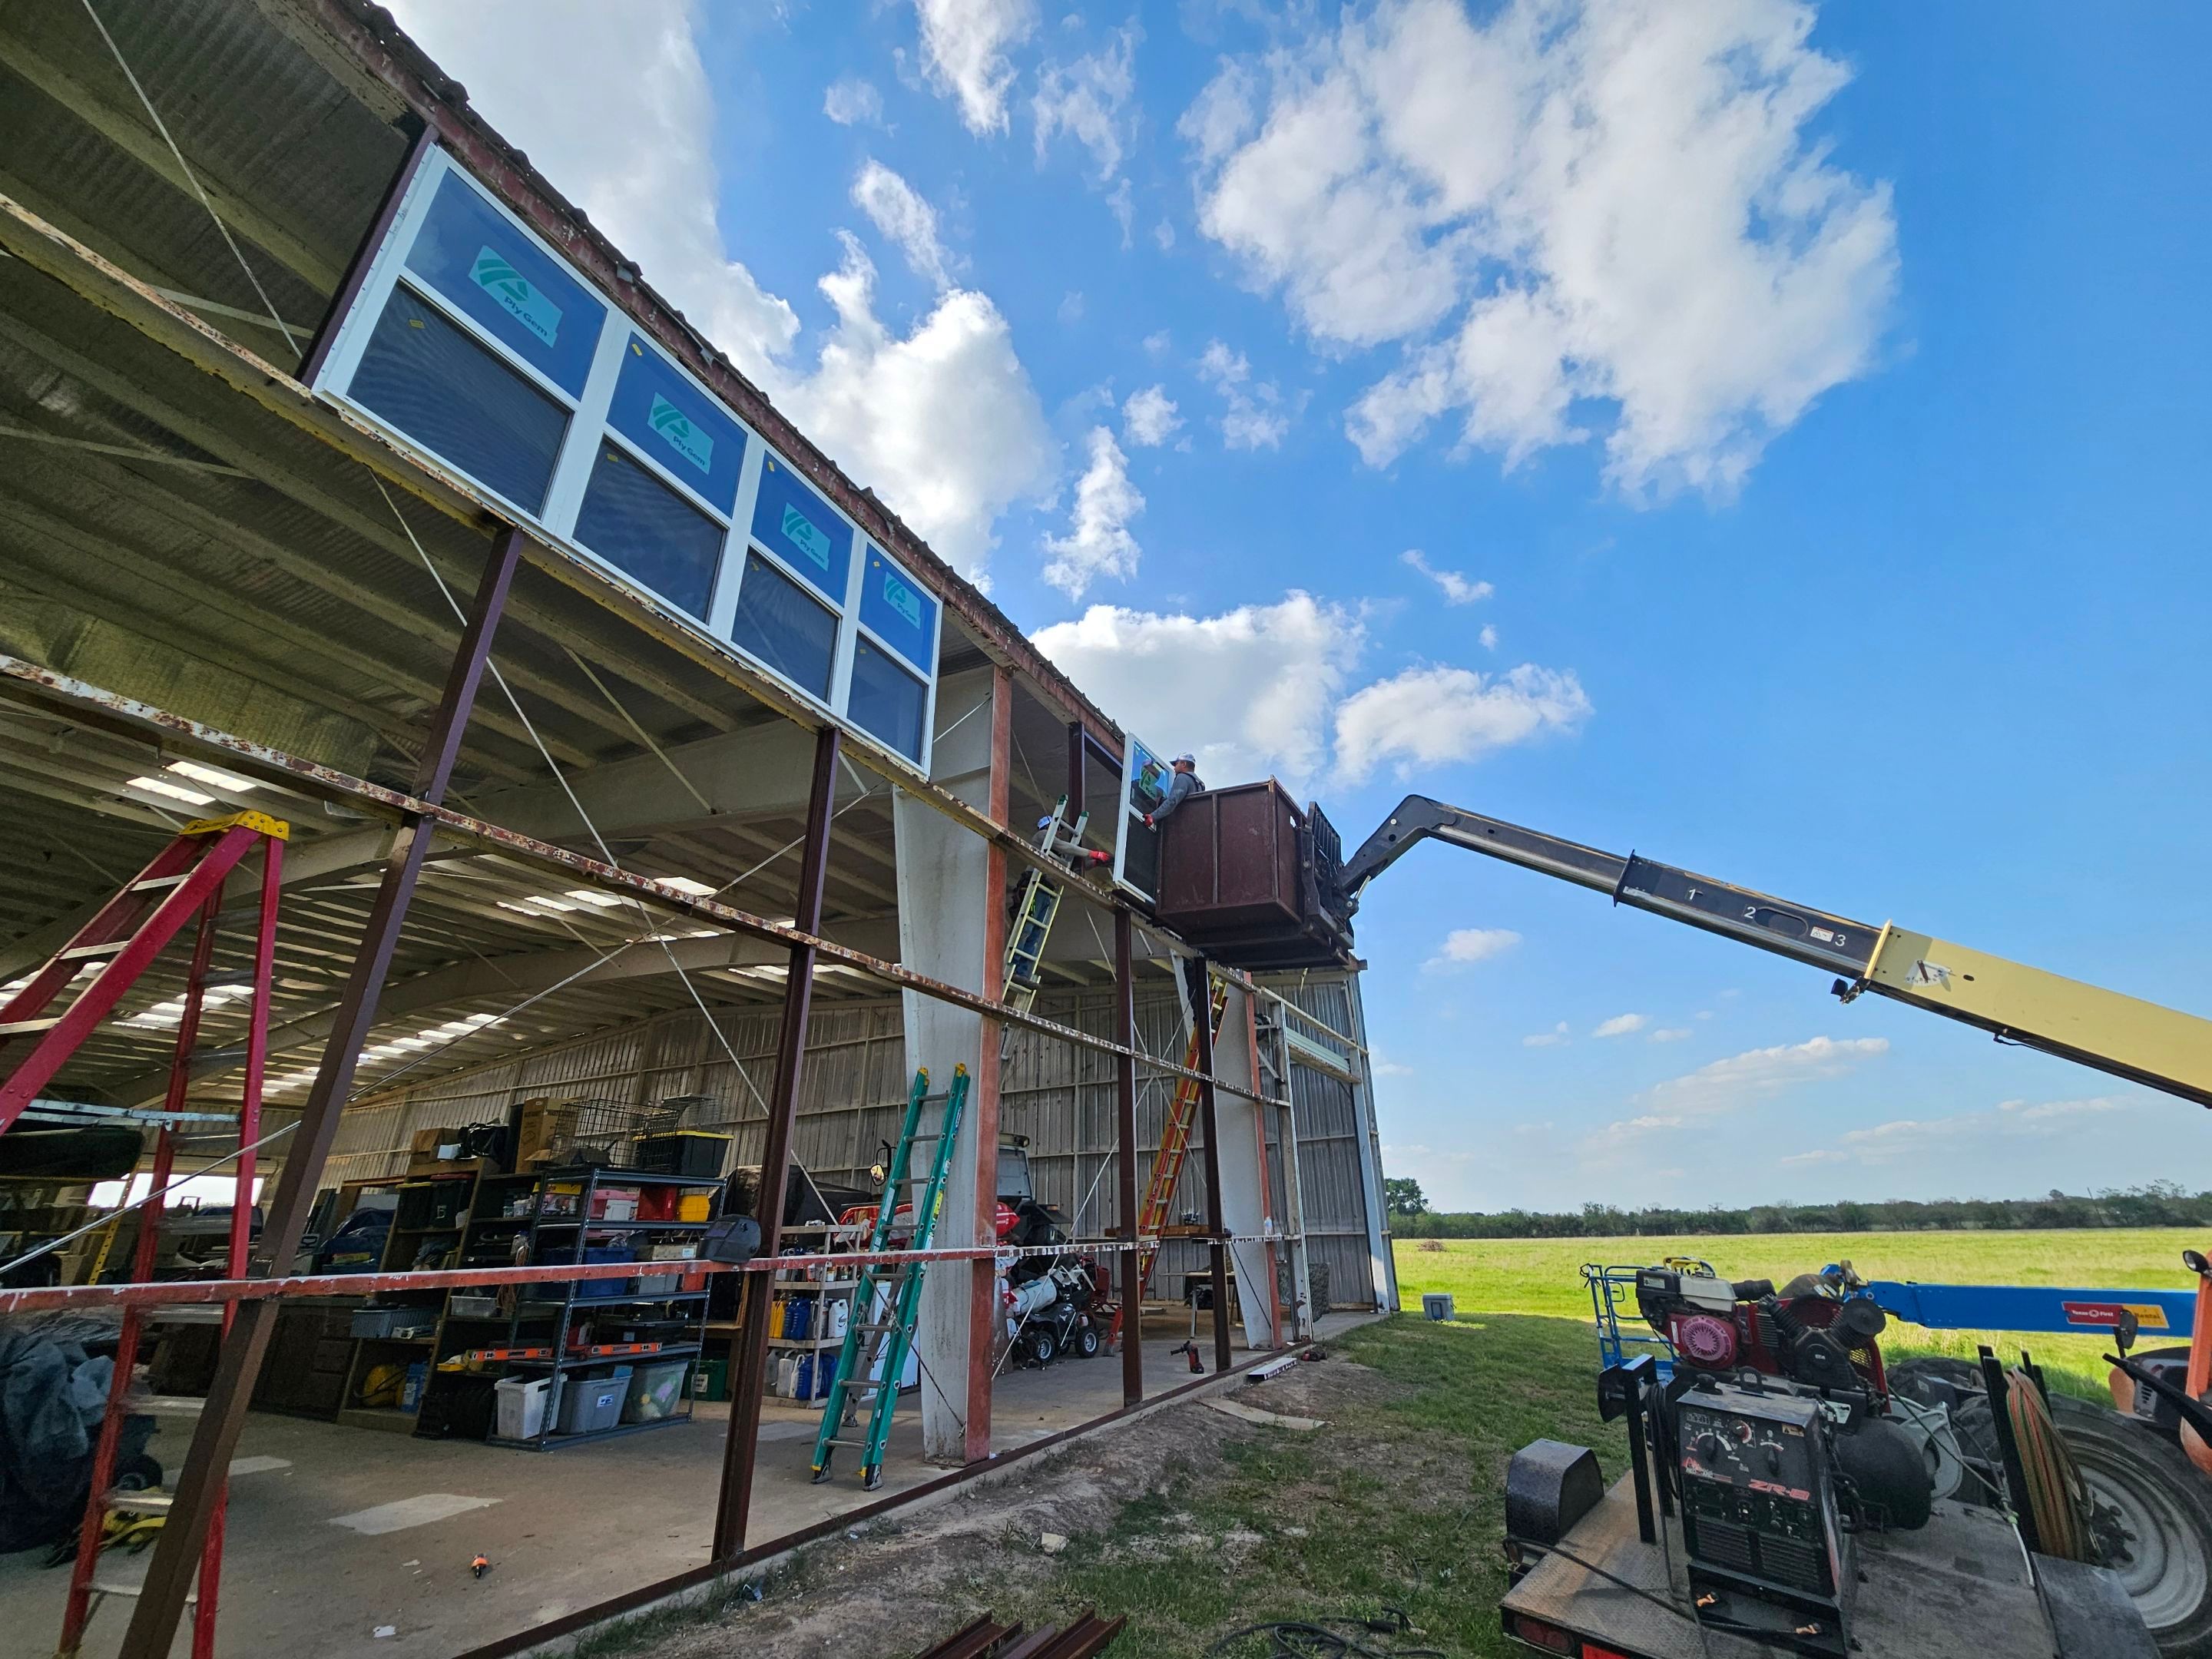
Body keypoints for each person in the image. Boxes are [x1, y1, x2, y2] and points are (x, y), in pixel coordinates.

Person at [1144, 753, 1203, 828]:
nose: (1174, 768)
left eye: (1176, 764)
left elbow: (1172, 801)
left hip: (1180, 826)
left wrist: (1153, 816)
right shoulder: (1199, 785)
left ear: (1183, 764)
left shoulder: (1183, 777)